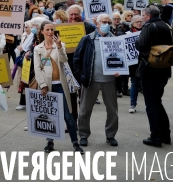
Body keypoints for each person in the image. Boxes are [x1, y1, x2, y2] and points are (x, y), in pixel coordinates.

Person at [35, 22, 84, 154]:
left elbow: (64, 60)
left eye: (52, 29)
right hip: (48, 87)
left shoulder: (60, 45)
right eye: (48, 29)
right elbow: (38, 69)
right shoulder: (38, 49)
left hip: (61, 85)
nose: (50, 32)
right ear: (42, 31)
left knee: (67, 115)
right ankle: (50, 142)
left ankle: (75, 143)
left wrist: (59, 47)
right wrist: (43, 85)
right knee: (50, 115)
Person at [73, 14, 119, 147]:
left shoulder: (116, 40)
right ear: (97, 23)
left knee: (112, 111)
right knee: (85, 110)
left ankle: (110, 136)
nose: (106, 24)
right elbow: (77, 59)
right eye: (103, 22)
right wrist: (81, 76)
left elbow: (123, 60)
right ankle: (83, 134)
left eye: (108, 22)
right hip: (91, 80)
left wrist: (119, 72)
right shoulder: (87, 39)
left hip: (109, 80)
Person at [135, 5, 173, 147]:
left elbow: (141, 45)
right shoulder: (166, 25)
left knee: (151, 104)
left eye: (143, 15)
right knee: (157, 102)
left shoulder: (149, 27)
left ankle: (156, 137)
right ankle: (165, 134)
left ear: (149, 16)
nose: (142, 17)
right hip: (163, 69)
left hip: (150, 69)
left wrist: (136, 41)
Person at [128, 15, 144, 114]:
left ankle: (149, 105)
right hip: (134, 64)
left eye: (140, 21)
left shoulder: (146, 32)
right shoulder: (128, 34)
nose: (139, 23)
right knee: (134, 83)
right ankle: (132, 104)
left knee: (146, 85)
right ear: (133, 23)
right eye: (137, 21)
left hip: (144, 62)